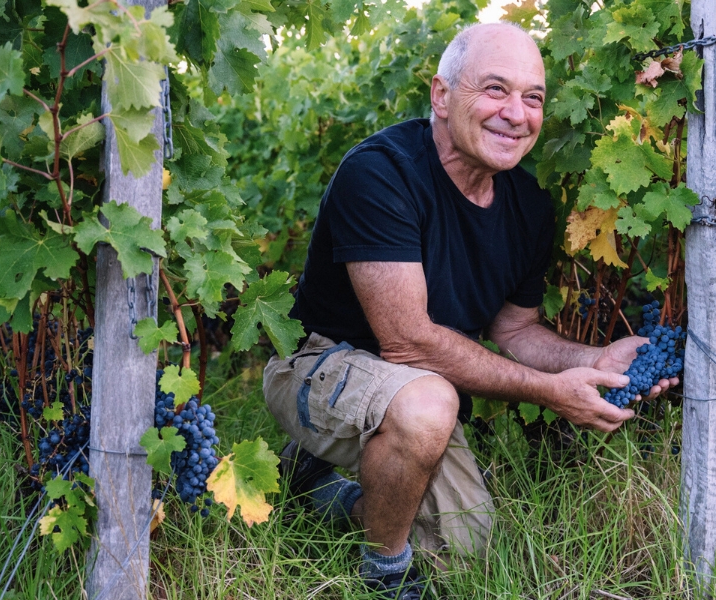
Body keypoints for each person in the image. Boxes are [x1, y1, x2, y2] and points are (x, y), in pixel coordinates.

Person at [262, 22, 677, 599]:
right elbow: (408, 342)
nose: (517, 113)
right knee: (431, 403)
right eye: (495, 90)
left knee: (467, 552)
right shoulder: (380, 174)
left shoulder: (528, 207)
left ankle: (319, 489)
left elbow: (516, 328)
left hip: (418, 388)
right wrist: (550, 392)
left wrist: (597, 356)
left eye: (533, 98)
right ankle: (385, 574)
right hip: (321, 366)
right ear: (441, 95)